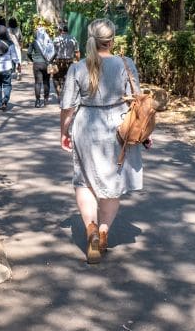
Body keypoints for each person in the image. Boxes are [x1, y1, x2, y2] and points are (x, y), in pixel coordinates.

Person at [59, 18, 147, 264]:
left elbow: (67, 108)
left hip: (86, 125)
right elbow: (137, 99)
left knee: (84, 180)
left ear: (91, 39)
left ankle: (91, 230)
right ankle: (105, 231)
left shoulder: (78, 68)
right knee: (112, 182)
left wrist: (64, 133)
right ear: (112, 39)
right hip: (118, 128)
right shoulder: (125, 64)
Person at [26, 22, 54, 107]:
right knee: (46, 82)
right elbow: (54, 52)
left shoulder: (34, 42)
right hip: (46, 64)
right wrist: (50, 61)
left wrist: (33, 60)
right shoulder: (49, 41)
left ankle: (37, 101)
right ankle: (46, 100)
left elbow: (28, 53)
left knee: (38, 83)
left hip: (37, 64)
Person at [51, 23, 79, 98]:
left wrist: (51, 62)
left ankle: (59, 93)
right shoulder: (73, 39)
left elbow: (52, 52)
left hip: (58, 62)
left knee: (55, 78)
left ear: (60, 31)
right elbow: (77, 52)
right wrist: (78, 61)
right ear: (67, 31)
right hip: (69, 62)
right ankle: (67, 95)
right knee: (69, 78)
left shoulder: (56, 39)